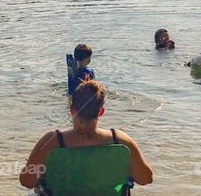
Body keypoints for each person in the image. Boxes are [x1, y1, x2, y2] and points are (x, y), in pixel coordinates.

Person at [20, 80, 153, 190]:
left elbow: (27, 182)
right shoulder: (120, 140)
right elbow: (146, 179)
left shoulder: (51, 142)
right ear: (101, 112)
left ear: (72, 110)